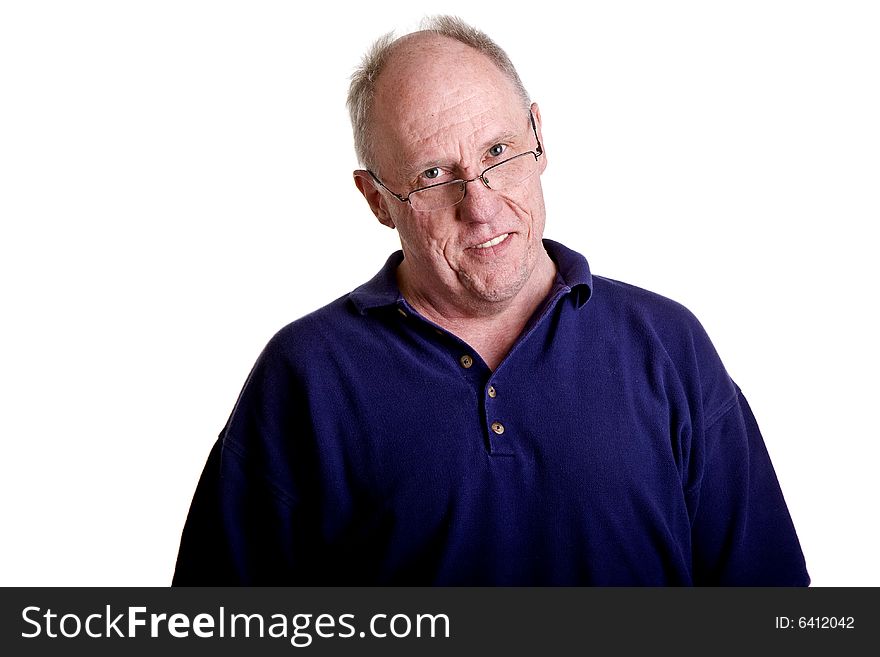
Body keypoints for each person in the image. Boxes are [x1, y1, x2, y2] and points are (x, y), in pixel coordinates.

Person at [173, 16, 809, 585]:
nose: (479, 205)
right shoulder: (305, 375)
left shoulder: (667, 345)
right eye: (432, 174)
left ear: (537, 135)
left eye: (498, 153)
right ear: (375, 199)